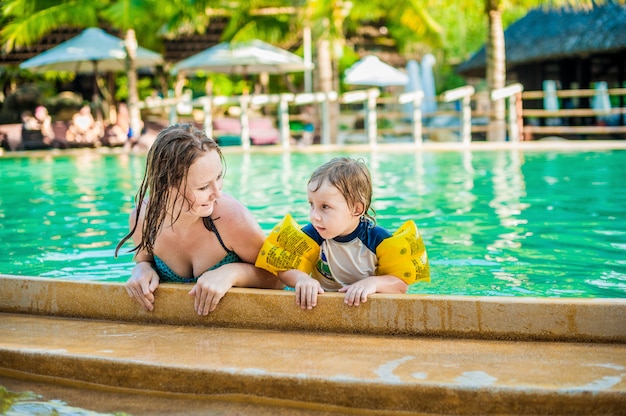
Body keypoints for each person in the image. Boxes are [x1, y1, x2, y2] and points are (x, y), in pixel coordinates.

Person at [115, 123, 279, 315]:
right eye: (203, 187)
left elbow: (279, 278)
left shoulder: (230, 218)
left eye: (219, 177)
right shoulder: (143, 218)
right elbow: (144, 261)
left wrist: (233, 273)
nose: (217, 194)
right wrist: (142, 269)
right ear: (166, 187)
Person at [255, 157, 430, 309]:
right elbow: (284, 270)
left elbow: (401, 285)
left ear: (356, 209)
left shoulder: (378, 240)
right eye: (311, 205)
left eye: (325, 207)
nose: (314, 216)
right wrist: (302, 279)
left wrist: (374, 283)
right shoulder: (312, 235)